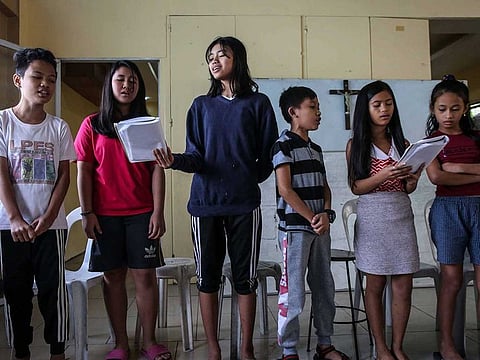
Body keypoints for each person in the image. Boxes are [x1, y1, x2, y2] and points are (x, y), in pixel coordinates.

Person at [153, 36, 278, 360]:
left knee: (244, 278)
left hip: (244, 204)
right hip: (204, 204)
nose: (215, 60)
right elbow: (196, 157)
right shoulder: (200, 106)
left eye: (222, 54)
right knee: (207, 278)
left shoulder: (258, 104)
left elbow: (267, 155)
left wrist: (245, 178)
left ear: (238, 58)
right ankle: (213, 349)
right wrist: (174, 161)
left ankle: (247, 349)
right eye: (210, 56)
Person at [74, 60, 171, 360]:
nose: (127, 85)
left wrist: (158, 212)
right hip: (105, 216)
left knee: (145, 276)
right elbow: (84, 171)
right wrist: (86, 212)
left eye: (133, 80)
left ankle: (150, 343)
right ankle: (120, 344)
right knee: (113, 277)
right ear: (110, 85)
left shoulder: (146, 124)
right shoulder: (92, 125)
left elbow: (158, 169)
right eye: (120, 79)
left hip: (142, 213)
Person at [0, 48, 76, 360]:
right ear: (18, 79)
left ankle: (58, 351)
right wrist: (15, 217)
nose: (45, 84)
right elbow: (1, 173)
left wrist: (48, 217)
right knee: (16, 292)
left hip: (51, 227)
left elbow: (64, 178)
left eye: (52, 79)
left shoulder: (58, 128)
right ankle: (21, 351)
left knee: (52, 291)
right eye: (37, 77)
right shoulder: (3, 122)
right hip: (10, 227)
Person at [346, 81, 423, 360]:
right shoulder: (356, 145)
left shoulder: (403, 144)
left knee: (404, 282)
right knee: (375, 283)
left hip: (401, 214)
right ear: (365, 110)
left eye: (388, 103)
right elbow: (356, 187)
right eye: (377, 104)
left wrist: (413, 180)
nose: (384, 109)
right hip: (373, 217)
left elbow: (407, 188)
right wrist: (384, 175)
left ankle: (398, 345)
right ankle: (381, 346)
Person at [272, 86, 349, 360]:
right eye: (313, 107)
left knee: (324, 286)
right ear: (294, 112)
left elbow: (325, 186)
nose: (319, 113)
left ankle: (325, 343)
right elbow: (285, 189)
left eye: (318, 107)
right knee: (293, 292)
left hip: (320, 230)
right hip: (295, 231)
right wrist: (312, 218)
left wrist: (326, 213)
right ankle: (289, 349)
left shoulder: (315, 149)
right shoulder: (282, 145)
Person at [425, 75, 480, 360]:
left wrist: (456, 166)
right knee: (452, 280)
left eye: (455, 108)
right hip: (447, 210)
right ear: (433, 110)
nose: (449, 115)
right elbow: (436, 175)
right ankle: (447, 344)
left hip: (479, 207)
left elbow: (447, 171)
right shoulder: (430, 142)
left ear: (465, 108)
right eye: (442, 109)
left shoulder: (476, 137)